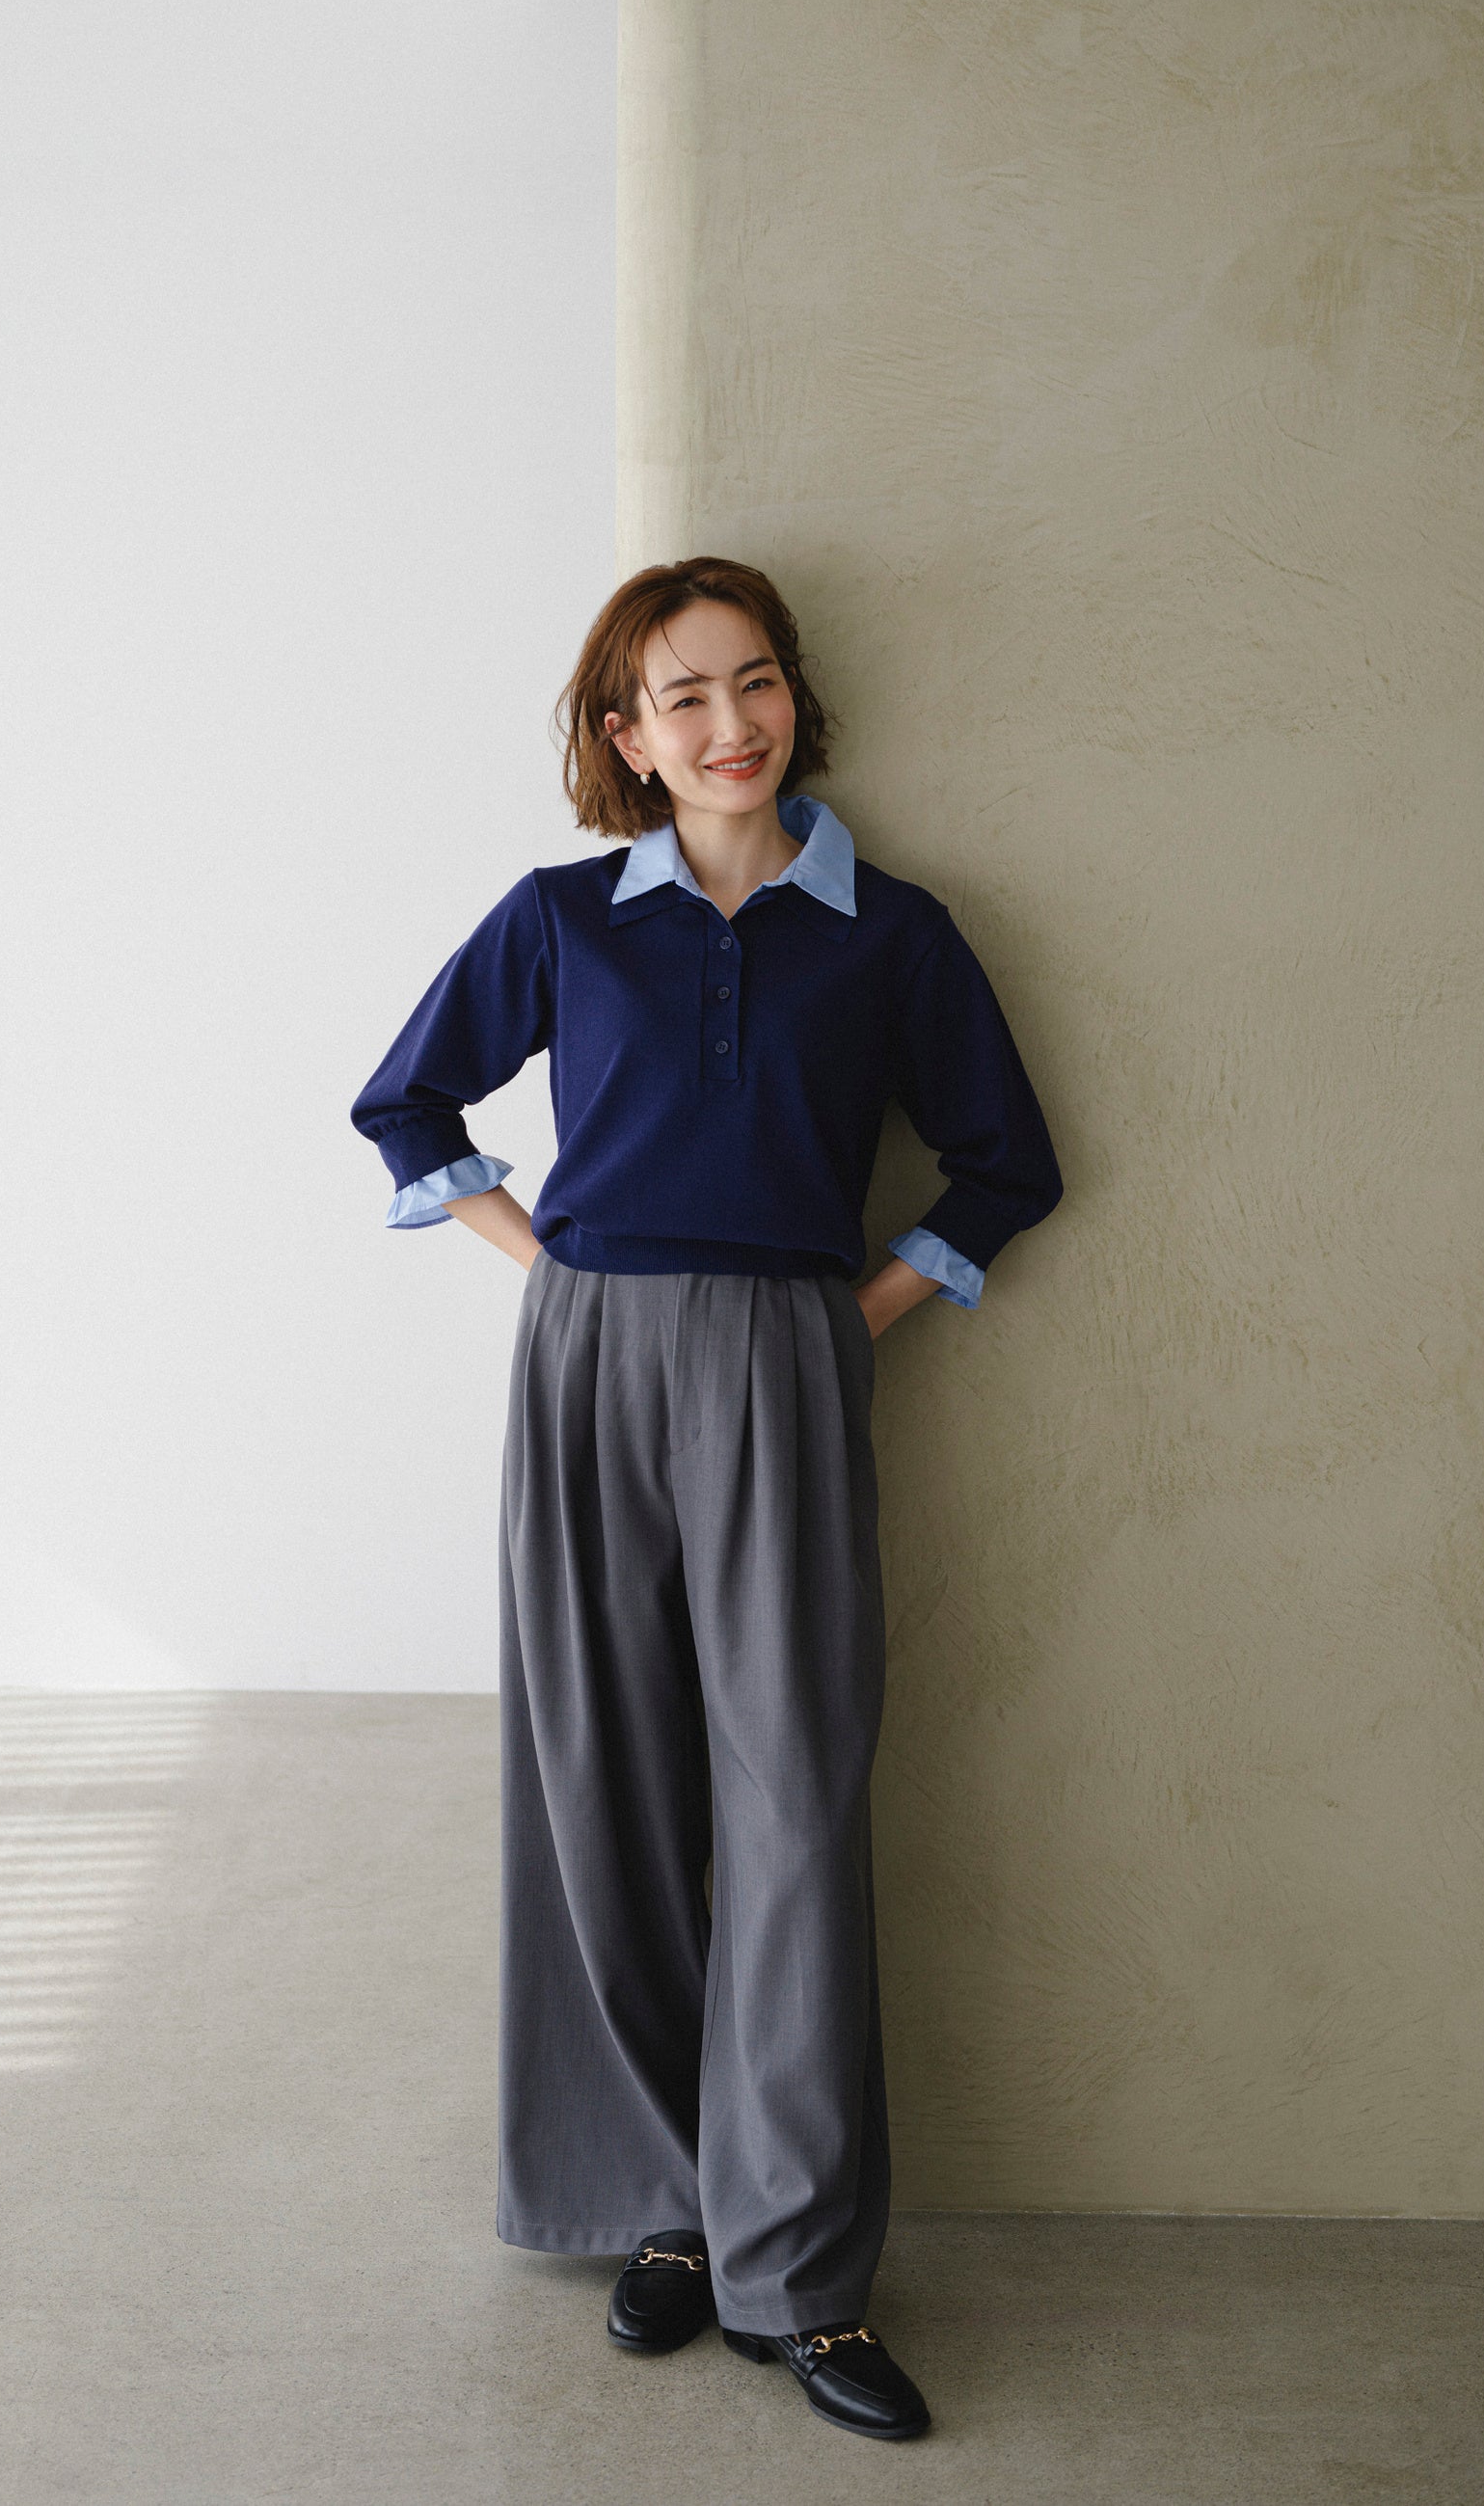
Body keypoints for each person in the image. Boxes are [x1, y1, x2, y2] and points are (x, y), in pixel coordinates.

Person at [350, 556, 1063, 2445]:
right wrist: (551, 1270)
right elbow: (406, 1105)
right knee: (607, 1786)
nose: (731, 723)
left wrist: (847, 1320)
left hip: (787, 1358)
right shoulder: (564, 918)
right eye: (685, 696)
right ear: (627, 733)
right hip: (588, 1352)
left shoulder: (892, 933)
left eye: (755, 682)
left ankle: (802, 2273)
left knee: (794, 1800)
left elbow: (1008, 1163)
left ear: (794, 699)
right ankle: (668, 2194)